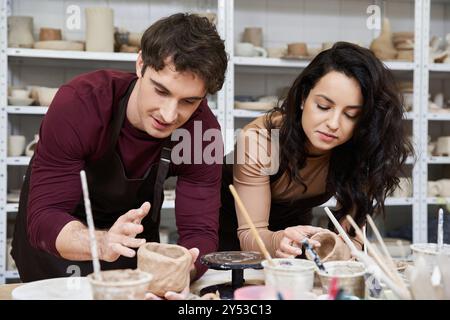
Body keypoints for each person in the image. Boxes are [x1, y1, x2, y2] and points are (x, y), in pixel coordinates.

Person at [11, 13, 228, 298]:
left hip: (131, 250)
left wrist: (182, 269)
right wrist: (101, 243)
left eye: (189, 101)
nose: (169, 114)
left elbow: (200, 229)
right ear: (140, 64)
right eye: (161, 90)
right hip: (58, 244)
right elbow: (44, 216)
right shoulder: (81, 104)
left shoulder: (201, 132)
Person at [219, 42, 413, 259]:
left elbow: (354, 237)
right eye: (323, 106)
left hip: (295, 239)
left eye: (351, 115)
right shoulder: (260, 141)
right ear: (303, 98)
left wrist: (346, 249)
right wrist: (280, 241)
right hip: (231, 239)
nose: (333, 123)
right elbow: (250, 237)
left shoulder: (360, 147)